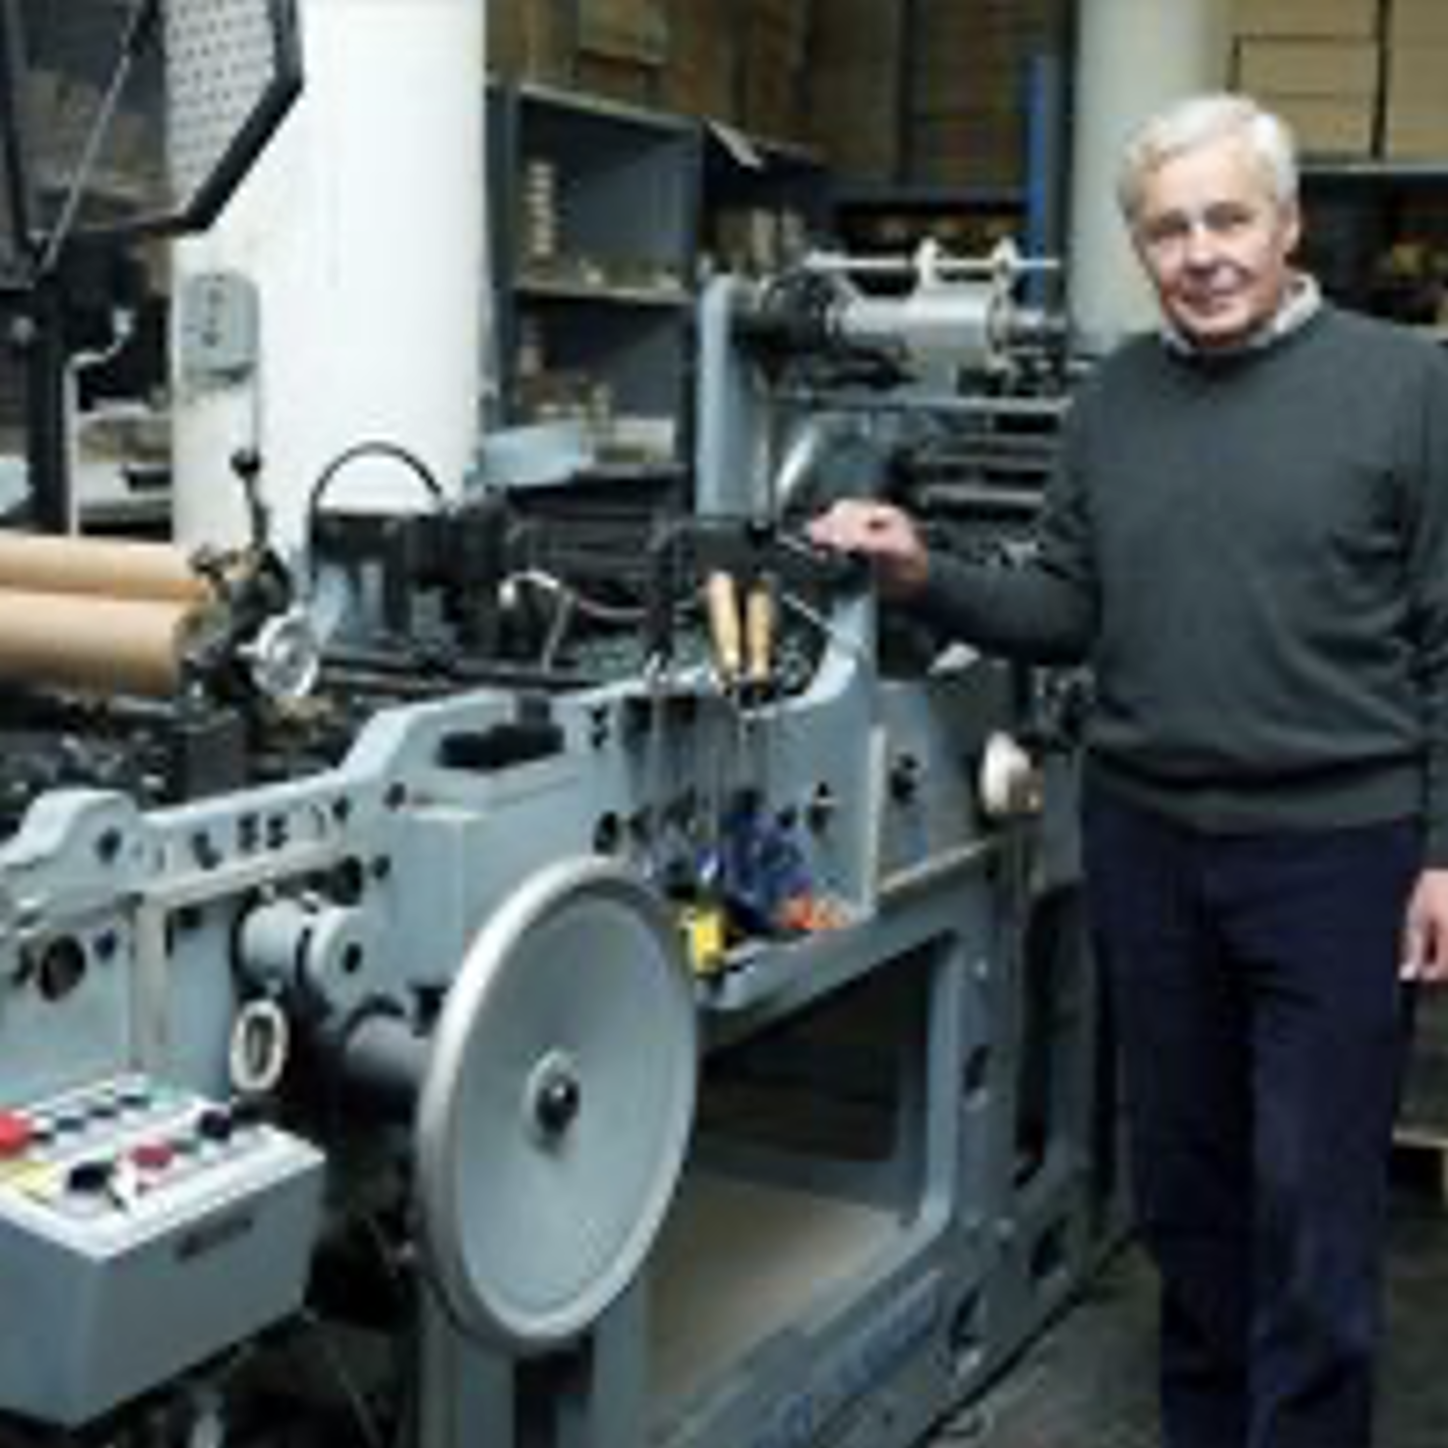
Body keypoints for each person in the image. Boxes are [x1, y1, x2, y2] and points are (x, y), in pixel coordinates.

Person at [808, 93, 1448, 1448]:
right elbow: (1067, 604)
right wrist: (923, 574)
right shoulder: (1113, 402)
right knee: (1186, 1198)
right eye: (1168, 230)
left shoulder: (1408, 386)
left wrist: (1446, 852)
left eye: (1228, 219)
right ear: (1140, 247)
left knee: (1314, 1212)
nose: (1201, 254)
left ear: (1286, 225)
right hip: (1149, 844)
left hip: (1339, 857)